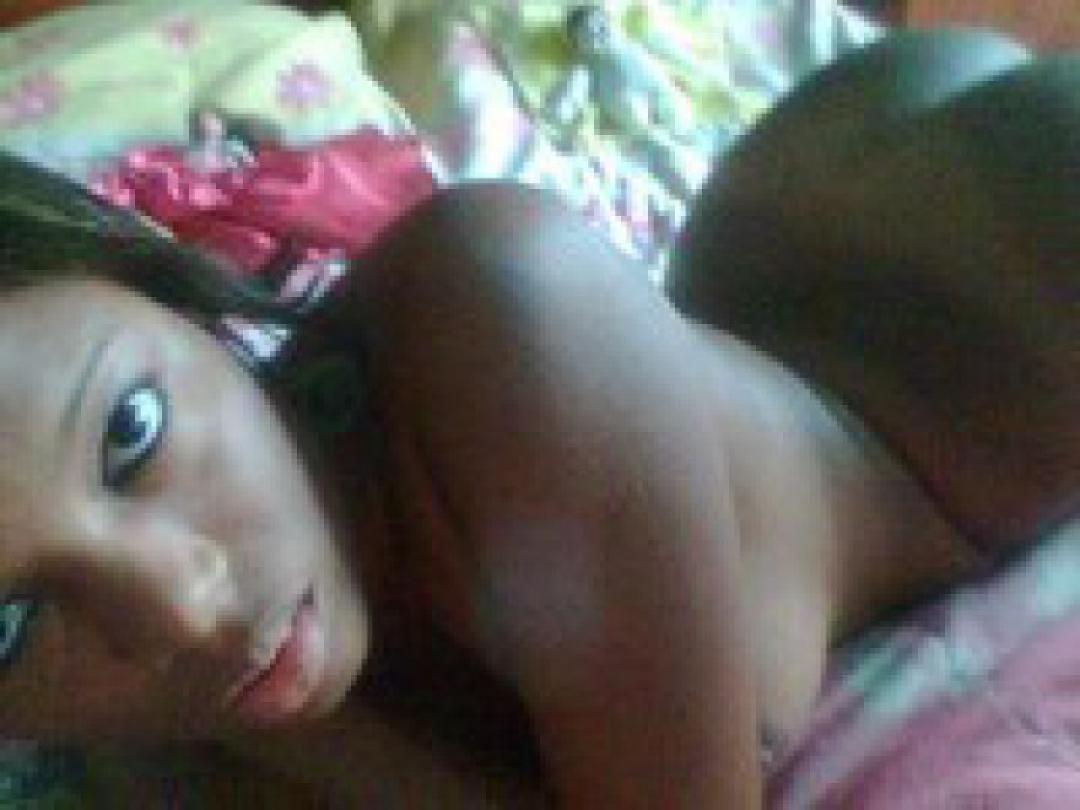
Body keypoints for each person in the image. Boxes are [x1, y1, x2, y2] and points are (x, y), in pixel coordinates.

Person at [0, 28, 1075, 808]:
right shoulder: (125, 715)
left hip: (972, 305)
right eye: (8, 624)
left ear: (170, 295)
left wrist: (305, 748)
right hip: (750, 302)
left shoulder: (505, 319)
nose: (184, 610)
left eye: (131, 434)